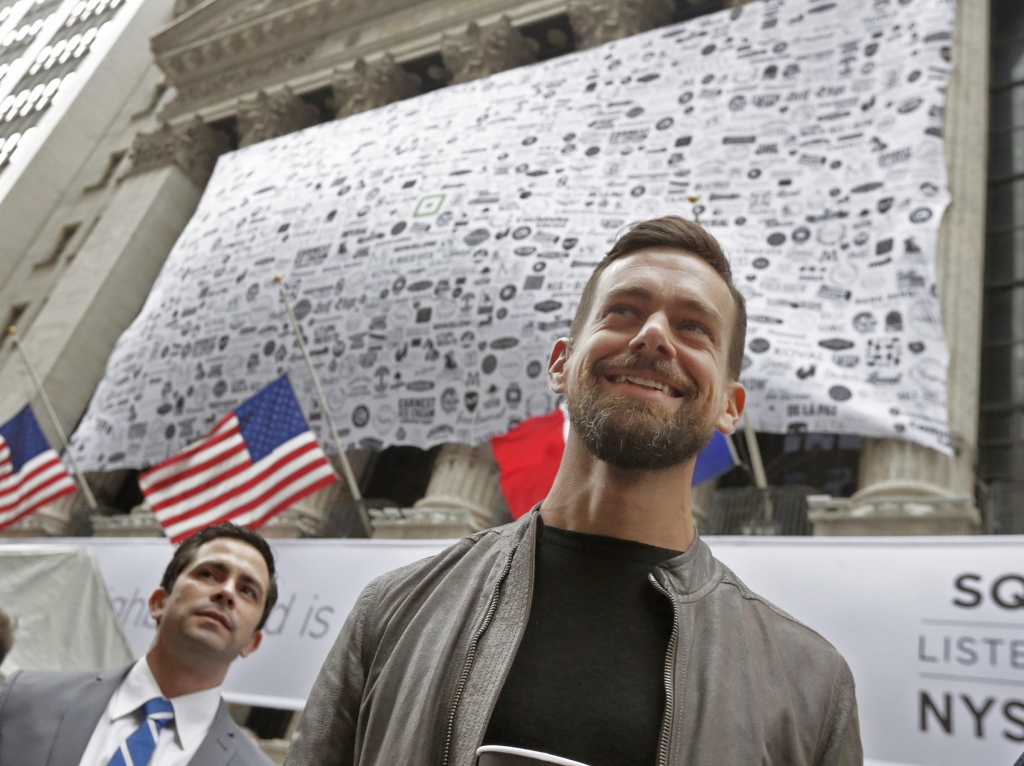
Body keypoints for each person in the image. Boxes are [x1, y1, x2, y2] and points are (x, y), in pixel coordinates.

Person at [285, 216, 862, 766]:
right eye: (623, 311)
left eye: (694, 327)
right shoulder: (391, 611)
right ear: (561, 363)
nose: (655, 335)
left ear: (730, 408)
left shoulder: (811, 685)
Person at [0, 522, 276, 766]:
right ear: (159, 602)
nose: (226, 592)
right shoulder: (25, 698)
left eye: (247, 591)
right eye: (209, 574)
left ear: (252, 642)